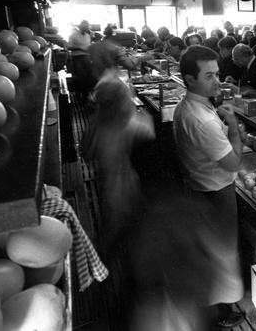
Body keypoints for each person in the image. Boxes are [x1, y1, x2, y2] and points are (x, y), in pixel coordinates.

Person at [172, 45, 245, 328]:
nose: (218, 81)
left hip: (197, 187)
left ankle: (215, 312)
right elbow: (234, 164)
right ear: (190, 80)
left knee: (208, 253)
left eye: (218, 74)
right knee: (222, 254)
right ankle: (219, 316)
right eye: (210, 76)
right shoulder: (203, 120)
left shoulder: (188, 106)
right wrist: (234, 126)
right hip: (215, 194)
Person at [82, 72, 155, 250]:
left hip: (106, 176)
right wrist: (146, 117)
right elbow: (150, 134)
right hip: (122, 180)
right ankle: (110, 253)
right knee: (119, 217)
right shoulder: (132, 126)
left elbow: (86, 152)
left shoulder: (98, 122)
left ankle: (112, 247)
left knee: (112, 212)